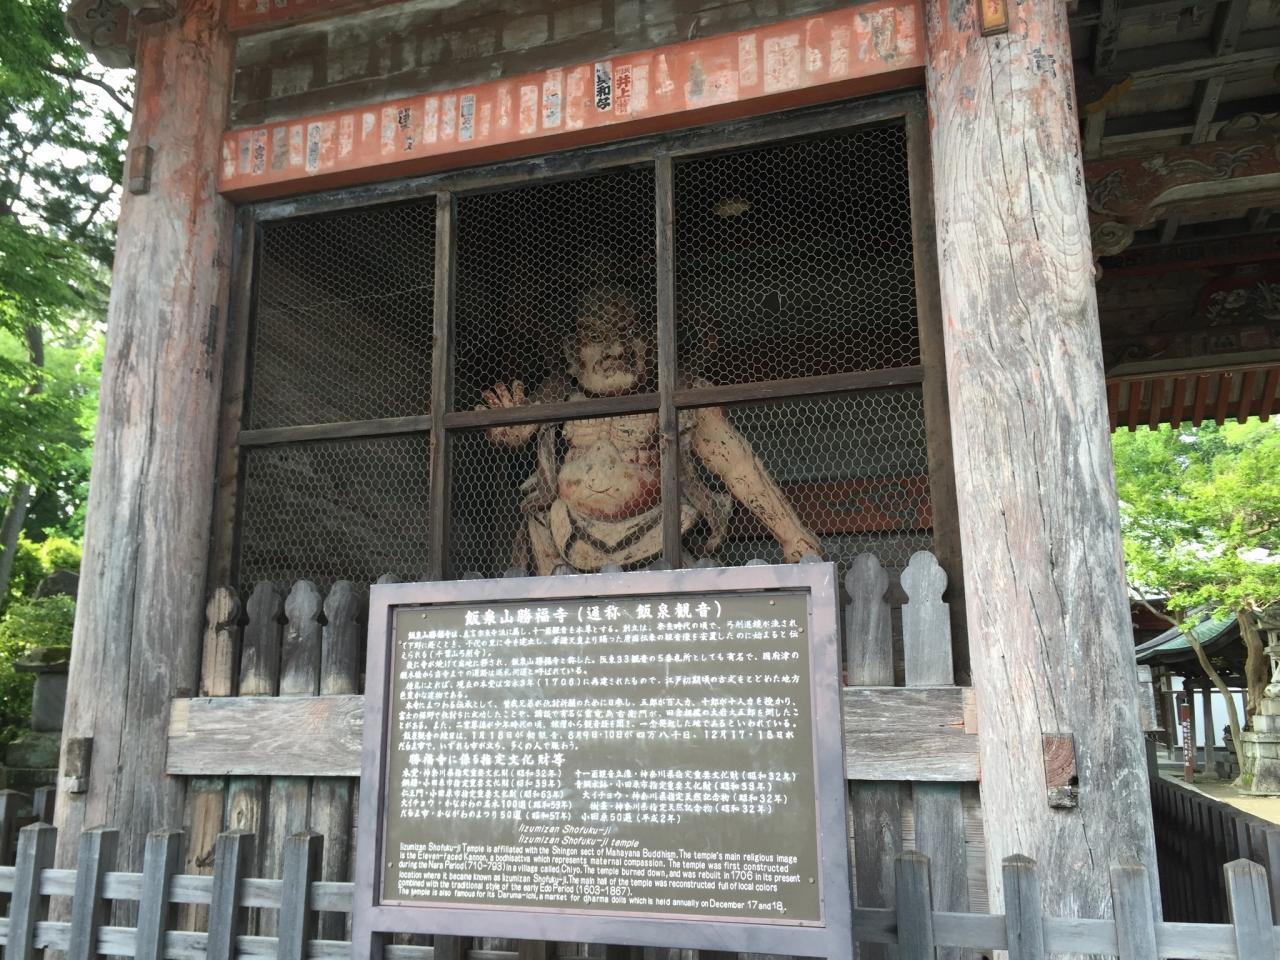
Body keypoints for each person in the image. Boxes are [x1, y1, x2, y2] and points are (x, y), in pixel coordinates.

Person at [481, 283, 820, 575]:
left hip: (658, 536)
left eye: (629, 335)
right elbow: (517, 429)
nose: (616, 350)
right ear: (573, 351)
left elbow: (736, 464)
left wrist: (792, 536)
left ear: (652, 345)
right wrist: (505, 426)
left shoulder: (679, 397)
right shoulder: (560, 399)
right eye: (597, 337)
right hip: (564, 536)